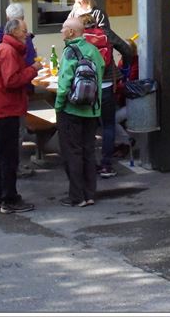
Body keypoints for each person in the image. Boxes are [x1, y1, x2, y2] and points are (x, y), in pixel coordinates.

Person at [0, 18, 39, 213]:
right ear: (14, 32)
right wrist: (33, 70)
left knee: (3, 155)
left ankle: (2, 196)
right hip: (6, 109)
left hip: (1, 107)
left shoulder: (6, 48)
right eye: (24, 30)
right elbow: (11, 80)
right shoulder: (8, 51)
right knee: (8, 156)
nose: (26, 34)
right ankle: (8, 198)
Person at [54, 16, 105, 207]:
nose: (61, 31)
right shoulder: (92, 49)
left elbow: (64, 84)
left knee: (72, 152)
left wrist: (59, 107)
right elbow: (101, 71)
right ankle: (90, 193)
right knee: (88, 151)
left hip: (71, 110)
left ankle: (76, 196)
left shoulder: (69, 52)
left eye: (63, 28)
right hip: (92, 110)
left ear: (71, 32)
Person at [81, 12, 119, 179]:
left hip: (89, 89)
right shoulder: (106, 35)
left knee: (89, 127)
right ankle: (107, 165)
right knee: (108, 126)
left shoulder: (81, 39)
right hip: (107, 85)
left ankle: (90, 164)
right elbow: (126, 49)